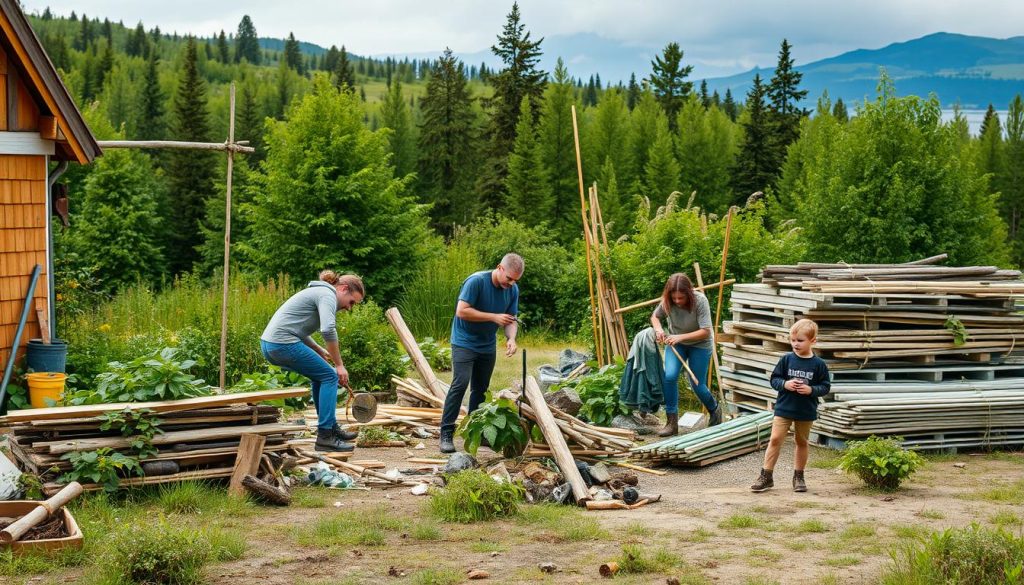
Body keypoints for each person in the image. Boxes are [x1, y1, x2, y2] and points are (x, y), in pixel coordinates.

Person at [260, 271, 364, 452]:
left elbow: (298, 328)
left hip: (270, 344)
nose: (349, 308)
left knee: (320, 377)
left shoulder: (319, 293)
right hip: (282, 344)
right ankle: (325, 437)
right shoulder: (327, 295)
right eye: (351, 302)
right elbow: (328, 329)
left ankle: (330, 428)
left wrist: (317, 349)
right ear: (344, 289)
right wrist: (339, 365)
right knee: (330, 376)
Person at [439, 253, 523, 453]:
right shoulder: (476, 281)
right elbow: (461, 311)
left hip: (487, 345)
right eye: (509, 278)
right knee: (460, 384)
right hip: (464, 342)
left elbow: (511, 319)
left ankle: (475, 432)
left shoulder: (512, 290)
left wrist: (511, 338)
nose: (511, 283)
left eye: (515, 280)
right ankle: (446, 433)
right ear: (499, 268)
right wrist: (493, 317)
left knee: (481, 389)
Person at [751, 318, 831, 493]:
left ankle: (799, 476)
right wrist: (785, 384)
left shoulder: (819, 365)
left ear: (813, 341)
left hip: (806, 410)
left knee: (801, 441)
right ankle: (766, 476)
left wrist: (811, 389)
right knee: (775, 439)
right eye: (793, 340)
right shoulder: (786, 360)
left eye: (800, 341)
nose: (795, 344)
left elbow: (825, 387)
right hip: (784, 408)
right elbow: (774, 379)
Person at [650, 273, 721, 436]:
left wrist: (679, 337)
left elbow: (705, 331)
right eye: (674, 298)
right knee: (670, 376)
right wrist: (659, 329)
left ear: (688, 292)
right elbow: (655, 316)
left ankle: (715, 410)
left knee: (697, 385)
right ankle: (671, 423)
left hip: (700, 345)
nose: (677, 301)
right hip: (676, 345)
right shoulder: (668, 300)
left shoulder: (700, 300)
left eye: (681, 298)